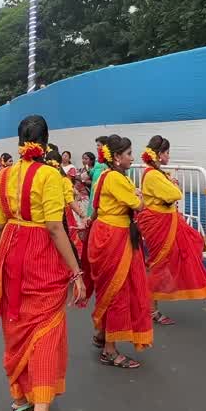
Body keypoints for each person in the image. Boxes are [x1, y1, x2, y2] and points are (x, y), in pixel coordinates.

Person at [0, 115, 85, 411]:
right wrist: (77, 272)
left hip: (10, 250)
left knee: (17, 323)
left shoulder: (4, 174)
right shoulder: (51, 175)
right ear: (46, 140)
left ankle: (20, 398)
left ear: (19, 140)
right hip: (41, 254)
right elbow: (55, 227)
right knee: (47, 328)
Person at [85, 135, 152, 369]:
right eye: (128, 154)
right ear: (116, 157)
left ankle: (101, 334)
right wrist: (140, 197)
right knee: (117, 291)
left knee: (108, 289)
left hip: (103, 233)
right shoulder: (115, 178)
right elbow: (138, 206)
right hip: (115, 237)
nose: (132, 158)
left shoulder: (103, 175)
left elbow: (95, 206)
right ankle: (110, 351)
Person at [137, 136, 206, 325]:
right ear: (158, 154)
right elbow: (176, 194)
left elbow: (171, 194)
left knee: (187, 246)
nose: (168, 156)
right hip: (159, 223)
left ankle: (151, 308)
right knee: (159, 264)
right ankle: (150, 310)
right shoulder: (154, 175)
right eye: (166, 152)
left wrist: (170, 185)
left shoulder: (156, 173)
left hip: (165, 221)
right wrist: (172, 186)